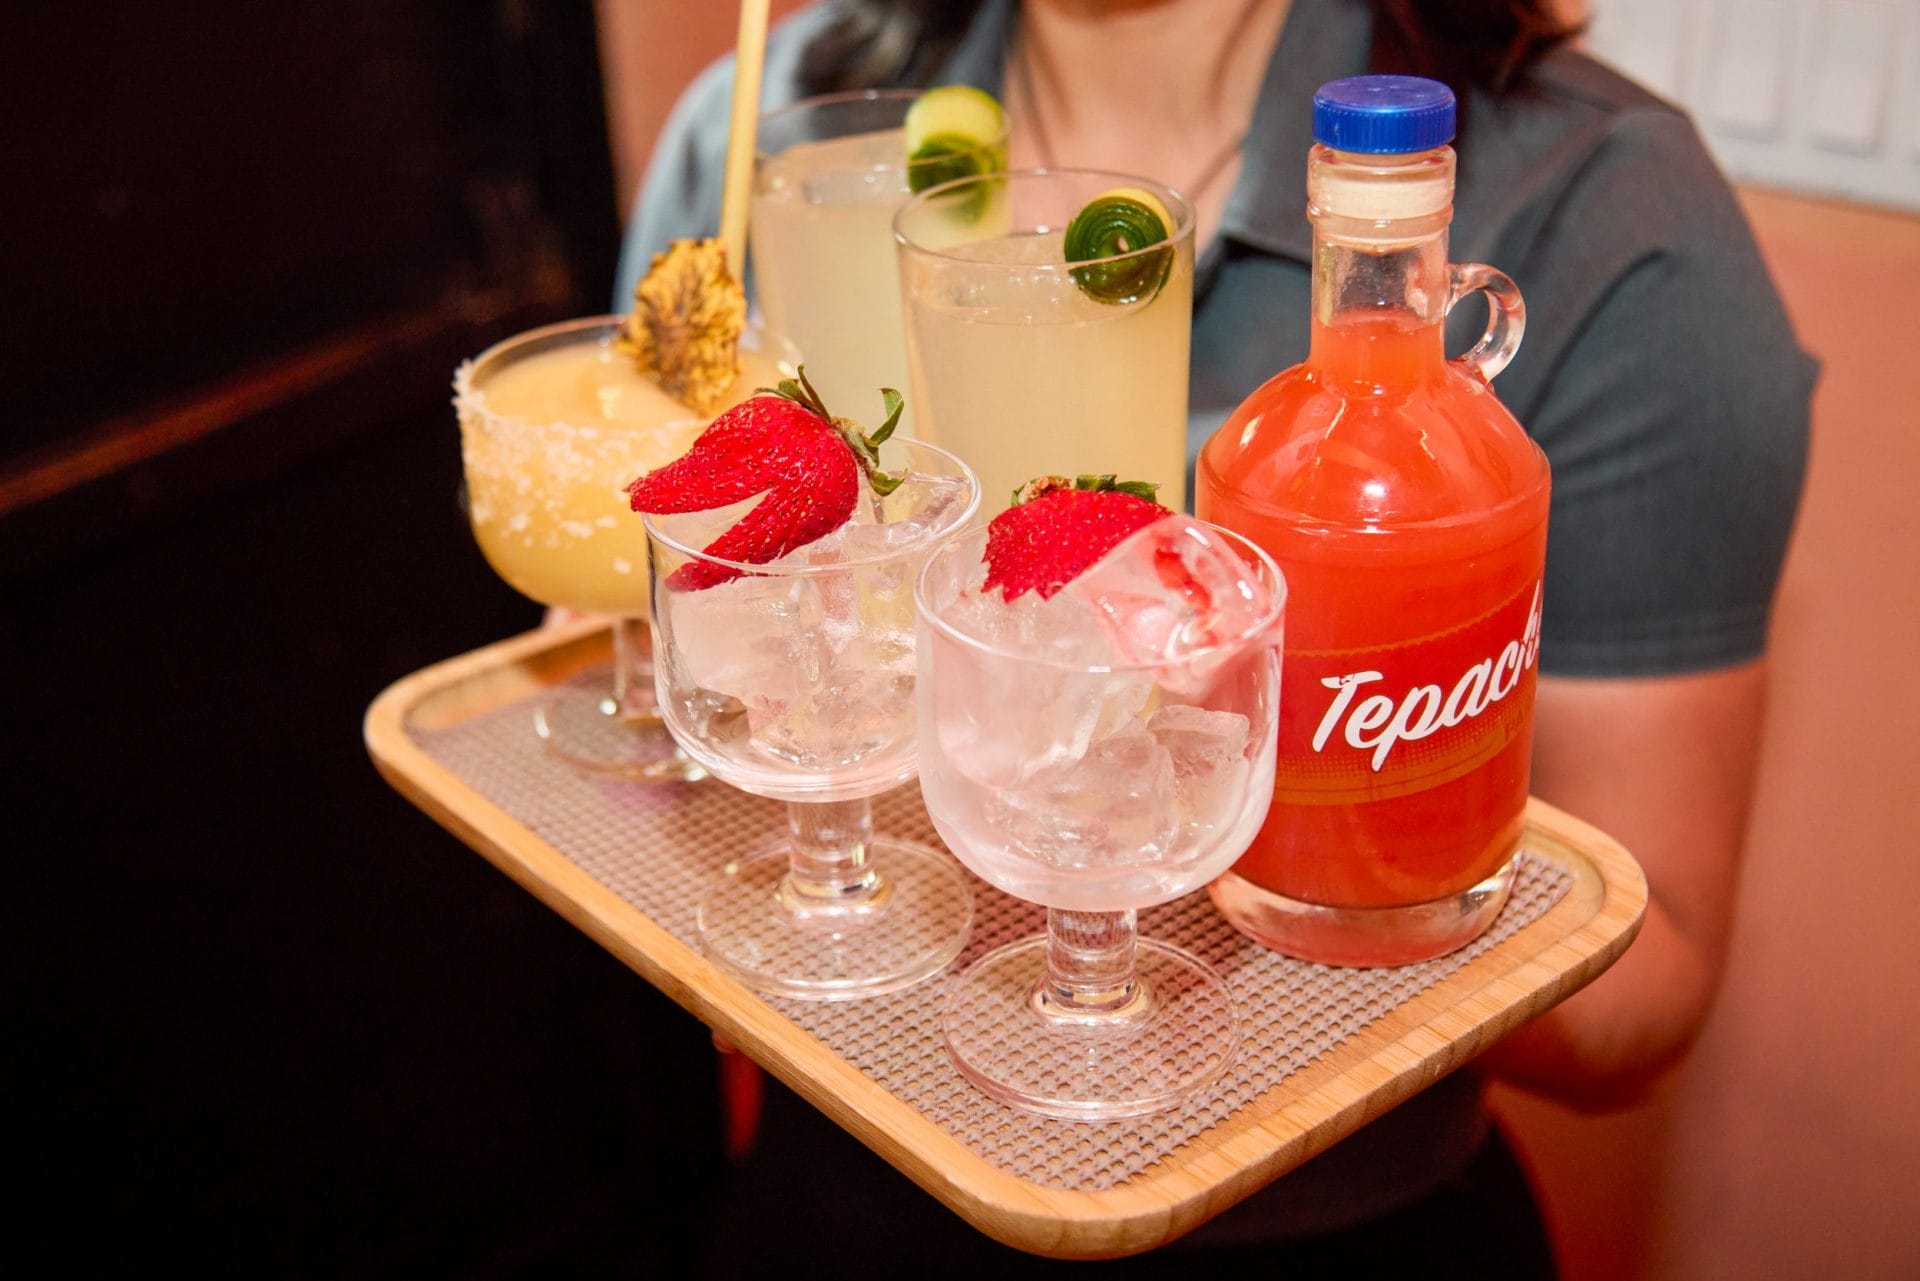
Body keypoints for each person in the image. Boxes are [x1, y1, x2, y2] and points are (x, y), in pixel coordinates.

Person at [614, 0, 1814, 1274]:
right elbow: (637, 648)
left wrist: (1267, 874)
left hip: (1337, 1225)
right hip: (843, 1191)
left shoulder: (1613, 208)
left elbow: (1651, 988)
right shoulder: (759, 128)